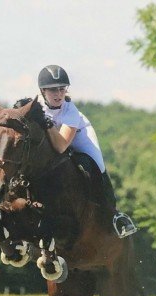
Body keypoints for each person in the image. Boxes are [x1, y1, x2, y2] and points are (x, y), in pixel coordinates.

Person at [37, 64, 137, 238]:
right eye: (53, 90)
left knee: (97, 166)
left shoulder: (71, 111)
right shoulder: (36, 105)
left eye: (62, 89)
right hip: (55, 140)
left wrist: (47, 123)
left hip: (78, 138)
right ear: (42, 90)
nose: (59, 94)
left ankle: (114, 215)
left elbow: (61, 146)